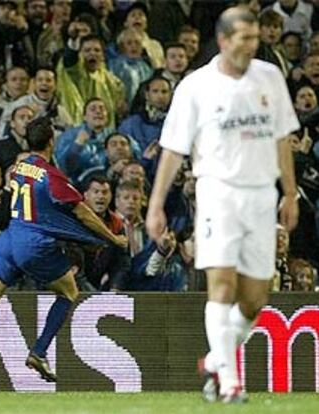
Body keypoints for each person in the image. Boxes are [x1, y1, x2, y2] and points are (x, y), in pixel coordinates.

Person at [146, 6, 300, 403]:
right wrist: (156, 204)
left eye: (255, 38)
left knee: (254, 299)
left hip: (263, 195)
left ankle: (217, 358)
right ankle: (231, 381)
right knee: (222, 285)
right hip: (217, 192)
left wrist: (289, 192)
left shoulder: (269, 78)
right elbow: (173, 150)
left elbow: (283, 137)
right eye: (244, 38)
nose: (252, 45)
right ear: (224, 40)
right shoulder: (196, 86)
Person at [0, 116, 127, 385]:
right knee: (69, 291)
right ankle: (39, 351)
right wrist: (112, 236)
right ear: (52, 141)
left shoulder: (20, 167)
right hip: (33, 244)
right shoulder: (51, 175)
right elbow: (82, 211)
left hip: (7, 241)